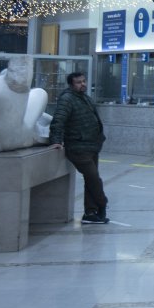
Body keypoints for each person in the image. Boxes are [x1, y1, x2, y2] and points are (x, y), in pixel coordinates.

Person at [49, 72, 110, 224]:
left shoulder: (84, 98)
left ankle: (90, 213)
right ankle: (102, 204)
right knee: (94, 179)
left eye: (84, 81)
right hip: (78, 147)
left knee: (91, 179)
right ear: (71, 84)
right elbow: (58, 120)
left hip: (92, 146)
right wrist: (56, 140)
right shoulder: (67, 99)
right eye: (78, 82)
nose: (82, 84)